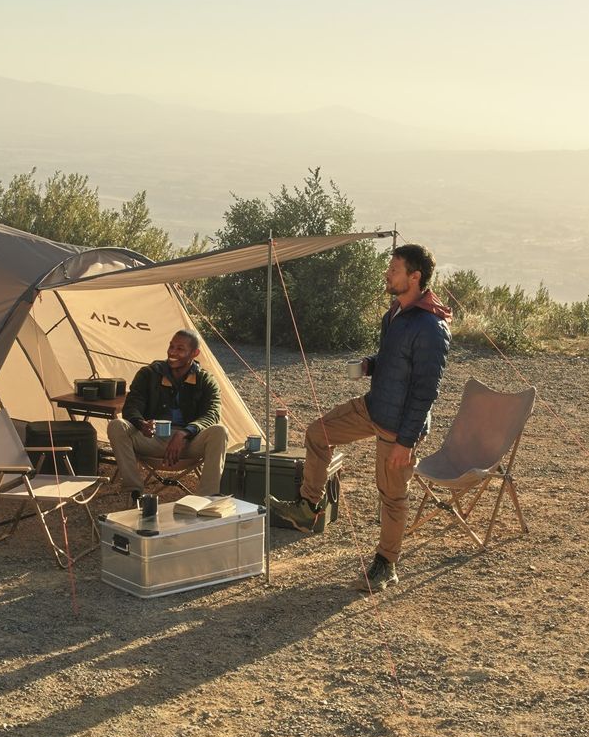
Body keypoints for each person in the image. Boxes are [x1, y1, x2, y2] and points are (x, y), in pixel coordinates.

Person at [270, 244, 451, 592]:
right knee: (318, 433)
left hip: (398, 427)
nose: (387, 274)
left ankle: (386, 564)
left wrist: (406, 442)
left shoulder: (431, 328)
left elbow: (425, 391)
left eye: (394, 270)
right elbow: (394, 358)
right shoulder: (395, 312)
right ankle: (309, 508)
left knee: (392, 496)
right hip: (373, 407)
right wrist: (371, 365)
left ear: (414, 277)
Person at [107, 329, 230, 497]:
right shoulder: (149, 374)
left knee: (219, 431)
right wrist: (141, 424)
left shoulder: (205, 380)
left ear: (195, 353)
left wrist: (184, 434)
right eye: (171, 346)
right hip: (152, 439)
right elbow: (131, 406)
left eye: (180, 349)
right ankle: (135, 492)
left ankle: (206, 498)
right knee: (116, 425)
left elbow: (213, 413)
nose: (172, 352)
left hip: (188, 444)